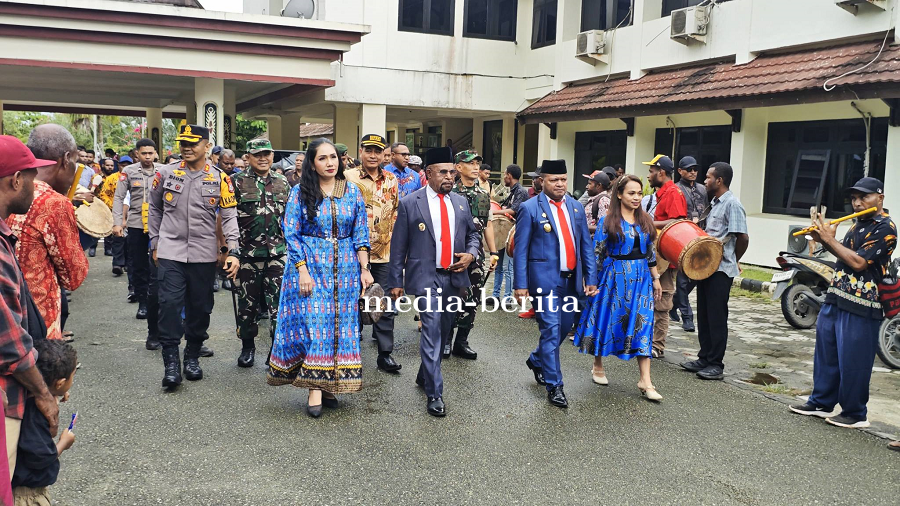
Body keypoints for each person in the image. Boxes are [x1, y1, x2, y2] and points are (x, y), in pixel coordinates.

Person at [266, 138, 372, 418]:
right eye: (322, 158)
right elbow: (291, 233)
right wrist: (301, 269)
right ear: (312, 164)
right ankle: (314, 387)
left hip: (346, 271)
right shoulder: (300, 193)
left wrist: (365, 268)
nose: (329, 163)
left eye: (333, 158)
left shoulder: (352, 192)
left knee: (340, 327)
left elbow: (361, 233)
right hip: (310, 268)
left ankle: (328, 385)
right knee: (315, 325)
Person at [788, 177, 892, 429]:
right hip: (837, 295)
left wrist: (829, 240)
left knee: (853, 359)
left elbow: (858, 263)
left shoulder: (885, 228)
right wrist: (824, 240)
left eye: (863, 197)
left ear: (880, 199)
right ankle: (821, 401)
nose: (857, 203)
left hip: (863, 302)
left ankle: (855, 413)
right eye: (854, 199)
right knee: (827, 352)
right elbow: (843, 257)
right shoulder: (857, 225)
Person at [387, 147, 481, 417]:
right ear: (428, 174)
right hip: (426, 276)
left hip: (453, 278)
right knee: (430, 329)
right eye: (443, 172)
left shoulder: (461, 203)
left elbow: (473, 236)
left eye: (452, 172)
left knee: (443, 328)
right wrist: (396, 282)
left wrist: (471, 254)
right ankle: (435, 393)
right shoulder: (410, 203)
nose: (450, 177)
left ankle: (423, 374)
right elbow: (398, 247)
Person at [148, 124, 240, 390]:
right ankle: (171, 364)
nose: (186, 148)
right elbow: (154, 208)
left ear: (206, 146)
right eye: (183, 143)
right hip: (170, 251)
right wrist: (154, 242)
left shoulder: (220, 178)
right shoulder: (165, 173)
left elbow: (229, 215)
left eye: (192, 143)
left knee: (200, 307)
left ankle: (192, 355)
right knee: (169, 305)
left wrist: (232, 249)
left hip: (203, 253)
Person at [0, 135, 60, 484]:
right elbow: (9, 342)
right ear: (16, 180)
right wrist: (42, 393)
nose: (37, 186)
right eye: (32, 178)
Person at [514, 159, 597, 408]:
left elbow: (586, 247)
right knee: (550, 329)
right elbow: (521, 250)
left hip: (571, 281)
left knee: (563, 328)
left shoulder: (575, 207)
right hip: (544, 281)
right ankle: (555, 385)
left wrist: (590, 278)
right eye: (554, 180)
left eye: (563, 180)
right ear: (542, 181)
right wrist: (520, 284)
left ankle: (537, 359)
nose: (560, 184)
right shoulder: (529, 208)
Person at [574, 175, 663, 401]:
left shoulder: (645, 220)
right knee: (605, 320)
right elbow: (596, 254)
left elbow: (650, 252)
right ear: (620, 194)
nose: (636, 197)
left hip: (641, 279)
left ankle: (645, 379)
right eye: (631, 193)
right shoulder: (607, 221)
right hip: (614, 277)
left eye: (639, 193)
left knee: (643, 324)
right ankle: (598, 364)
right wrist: (590, 280)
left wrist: (656, 279)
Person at [7, 126, 89, 342]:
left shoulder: (10, 189)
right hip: (38, 320)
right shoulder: (54, 203)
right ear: (66, 159)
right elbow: (74, 277)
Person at [680, 162, 749, 382]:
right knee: (705, 314)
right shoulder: (715, 203)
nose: (705, 181)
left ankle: (716, 364)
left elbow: (743, 238)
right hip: (707, 268)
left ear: (719, 180)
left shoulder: (732, 204)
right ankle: (704, 357)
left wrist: (734, 259)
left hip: (721, 270)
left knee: (717, 317)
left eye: (708, 177)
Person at [344, 135, 403, 373]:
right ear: (360, 151)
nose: (373, 155)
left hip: (385, 253)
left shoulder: (391, 179)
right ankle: (350, 353)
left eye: (378, 151)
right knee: (352, 302)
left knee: (385, 303)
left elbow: (396, 212)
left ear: (384, 154)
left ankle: (385, 354)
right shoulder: (347, 178)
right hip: (353, 254)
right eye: (368, 150)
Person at [232, 139, 290, 368]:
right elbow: (226, 217)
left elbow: (290, 217)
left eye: (266, 154)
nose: (263, 158)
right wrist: (229, 250)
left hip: (277, 253)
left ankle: (275, 351)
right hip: (247, 254)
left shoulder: (283, 182)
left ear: (273, 155)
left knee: (278, 306)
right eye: (257, 154)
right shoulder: (236, 182)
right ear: (248, 157)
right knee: (247, 306)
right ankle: (248, 347)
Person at [11, 339, 77, 504]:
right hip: (26, 495)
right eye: (73, 376)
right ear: (60, 382)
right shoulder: (36, 413)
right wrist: (63, 443)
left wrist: (56, 392)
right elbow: (39, 458)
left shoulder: (21, 393)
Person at [448, 150, 499, 360]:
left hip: (476, 253)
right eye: (470, 163)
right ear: (458, 167)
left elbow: (486, 224)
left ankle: (461, 341)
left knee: (473, 297)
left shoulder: (482, 195)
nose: (476, 167)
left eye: (478, 163)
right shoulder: (449, 192)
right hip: (452, 251)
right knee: (451, 295)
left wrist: (493, 252)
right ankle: (444, 339)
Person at [113, 139, 163, 348]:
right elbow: (118, 197)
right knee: (138, 266)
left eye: (151, 153)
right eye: (144, 154)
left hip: (158, 225)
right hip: (135, 223)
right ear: (137, 154)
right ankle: (143, 302)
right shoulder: (129, 172)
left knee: (156, 267)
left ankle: (155, 302)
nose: (148, 157)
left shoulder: (164, 170)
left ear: (156, 154)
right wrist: (117, 223)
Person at [643, 155, 686, 358]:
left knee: (662, 302)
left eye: (651, 171)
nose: (649, 176)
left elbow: (676, 224)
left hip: (665, 259)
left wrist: (646, 224)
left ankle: (657, 346)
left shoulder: (673, 193)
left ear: (661, 172)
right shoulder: (662, 193)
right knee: (651, 299)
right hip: (656, 255)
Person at [670, 156, 708, 332]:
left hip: (701, 236)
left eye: (695, 169)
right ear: (680, 171)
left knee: (697, 275)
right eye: (689, 169)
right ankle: (687, 317)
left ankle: (674, 303)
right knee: (683, 278)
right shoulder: (676, 190)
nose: (693, 172)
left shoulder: (703, 189)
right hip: (683, 236)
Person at [490, 165, 529, 306]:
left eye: (505, 174)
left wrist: (493, 212)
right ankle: (495, 296)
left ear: (510, 175)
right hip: (505, 231)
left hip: (514, 233)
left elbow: (514, 210)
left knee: (508, 267)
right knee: (499, 266)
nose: (504, 177)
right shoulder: (512, 191)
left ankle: (507, 298)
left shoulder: (520, 191)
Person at [96, 158, 128, 277]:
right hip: (115, 212)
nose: (124, 167)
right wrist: (113, 206)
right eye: (122, 165)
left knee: (130, 240)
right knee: (118, 237)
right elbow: (103, 194)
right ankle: (118, 264)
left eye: (127, 165)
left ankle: (128, 263)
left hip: (133, 213)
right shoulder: (112, 178)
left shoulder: (135, 176)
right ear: (118, 165)